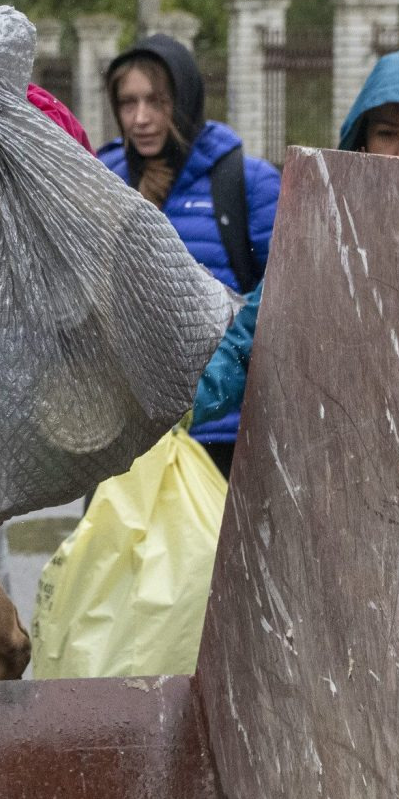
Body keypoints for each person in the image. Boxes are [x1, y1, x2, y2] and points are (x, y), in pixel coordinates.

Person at [194, 48, 399, 430]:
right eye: (387, 133)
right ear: (363, 145)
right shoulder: (325, 243)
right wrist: (170, 412)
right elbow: (247, 347)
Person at [98, 33, 279, 477]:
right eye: (128, 103)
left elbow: (278, 298)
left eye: (157, 102)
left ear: (185, 101)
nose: (141, 118)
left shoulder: (246, 181)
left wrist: (211, 391)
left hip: (219, 438)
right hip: (121, 441)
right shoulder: (103, 179)